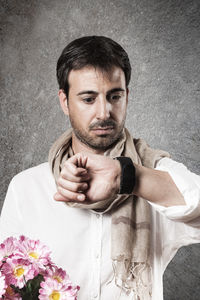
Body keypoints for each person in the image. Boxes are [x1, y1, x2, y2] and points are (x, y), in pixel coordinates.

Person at [1, 36, 200, 300]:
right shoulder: (27, 187)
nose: (104, 112)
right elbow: (6, 283)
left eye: (114, 96)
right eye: (88, 99)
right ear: (64, 101)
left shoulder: (155, 172)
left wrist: (128, 177)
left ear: (127, 96)